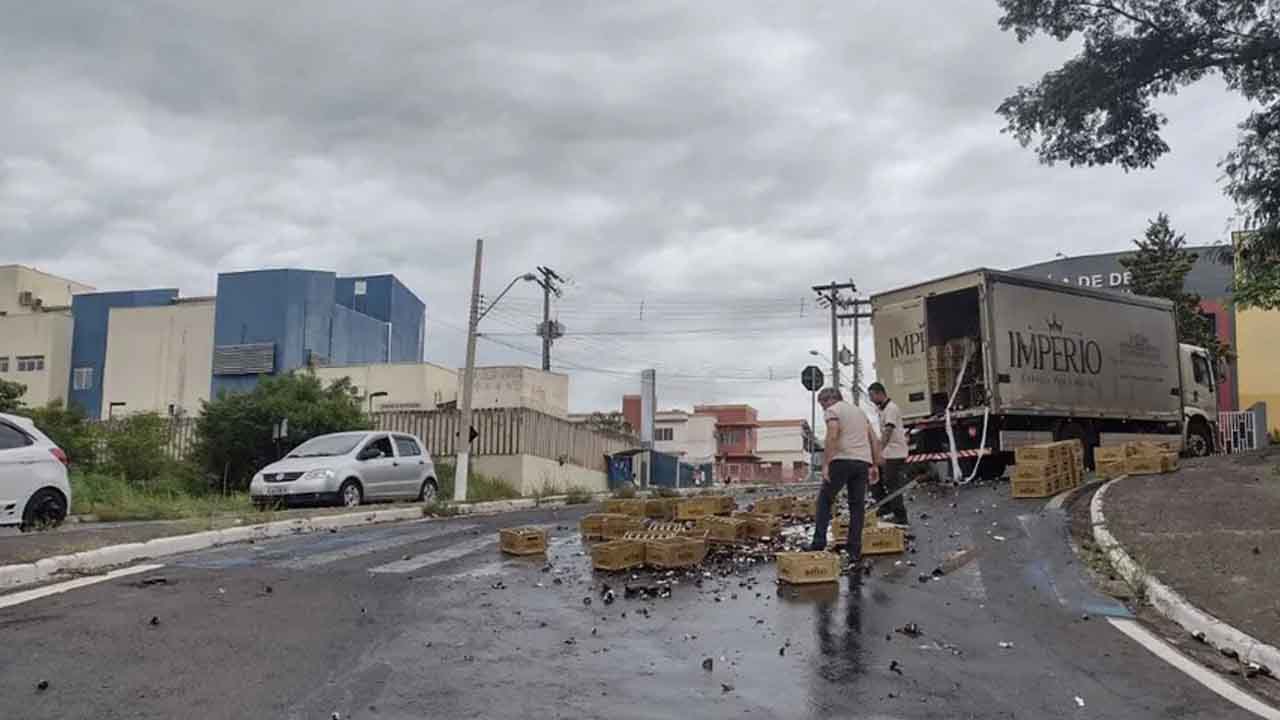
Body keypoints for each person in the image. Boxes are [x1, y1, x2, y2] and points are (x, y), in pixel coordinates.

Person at [806, 387, 882, 568]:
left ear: (829, 399)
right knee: (857, 507)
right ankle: (854, 550)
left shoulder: (834, 411)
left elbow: (832, 435)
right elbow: (874, 439)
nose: (823, 409)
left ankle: (818, 543)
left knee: (824, 500)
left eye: (822, 404)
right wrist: (875, 464)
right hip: (862, 463)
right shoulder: (860, 413)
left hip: (841, 461)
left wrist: (826, 464)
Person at [868, 382, 909, 526]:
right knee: (875, 480)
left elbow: (888, 431)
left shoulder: (891, 409)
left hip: (895, 453)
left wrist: (878, 450)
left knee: (892, 485)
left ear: (880, 393)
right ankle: (886, 506)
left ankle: (901, 517)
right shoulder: (882, 410)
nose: (871, 400)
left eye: (872, 396)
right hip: (888, 452)